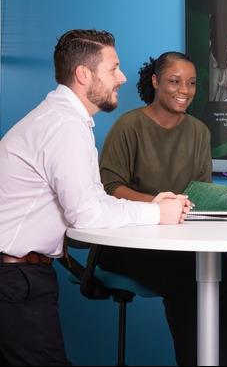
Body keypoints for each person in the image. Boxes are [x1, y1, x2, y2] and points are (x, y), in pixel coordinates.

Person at [0, 29, 190, 366]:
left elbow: (93, 201)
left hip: (18, 277)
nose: (123, 77)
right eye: (113, 68)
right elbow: (86, 215)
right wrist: (157, 214)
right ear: (83, 75)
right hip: (15, 280)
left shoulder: (61, 119)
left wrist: (153, 205)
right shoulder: (64, 126)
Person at [98, 51, 227, 366]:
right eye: (175, 81)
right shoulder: (129, 127)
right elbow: (109, 189)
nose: (184, 90)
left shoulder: (198, 132)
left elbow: (198, 192)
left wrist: (226, 198)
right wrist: (159, 204)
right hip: (128, 242)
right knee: (189, 280)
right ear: (155, 82)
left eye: (192, 83)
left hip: (181, 241)